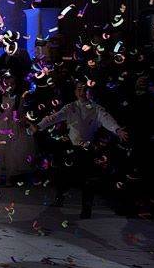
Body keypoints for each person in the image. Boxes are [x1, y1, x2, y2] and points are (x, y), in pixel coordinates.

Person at [31, 80, 129, 219]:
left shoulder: (97, 109)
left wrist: (117, 130)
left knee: (88, 179)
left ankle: (86, 207)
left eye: (85, 90)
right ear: (75, 92)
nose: (82, 93)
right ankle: (60, 198)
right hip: (73, 147)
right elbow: (54, 117)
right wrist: (39, 125)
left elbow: (107, 119)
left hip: (88, 148)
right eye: (79, 90)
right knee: (64, 174)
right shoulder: (70, 107)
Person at [0, 71, 36, 184]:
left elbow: (21, 114)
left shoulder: (18, 98)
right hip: (0, 125)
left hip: (14, 126)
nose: (9, 87)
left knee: (13, 150)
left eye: (12, 84)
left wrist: (27, 124)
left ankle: (9, 177)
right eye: (6, 84)